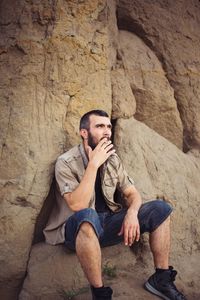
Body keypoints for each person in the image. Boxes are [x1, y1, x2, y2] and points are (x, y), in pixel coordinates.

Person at [44, 109, 186, 300]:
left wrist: (132, 213)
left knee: (161, 209)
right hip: (76, 230)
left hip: (107, 223)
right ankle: (100, 294)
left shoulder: (112, 159)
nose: (107, 131)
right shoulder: (66, 162)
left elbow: (131, 193)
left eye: (109, 126)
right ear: (84, 133)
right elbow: (77, 205)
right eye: (100, 126)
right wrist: (93, 164)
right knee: (88, 216)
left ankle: (161, 279)